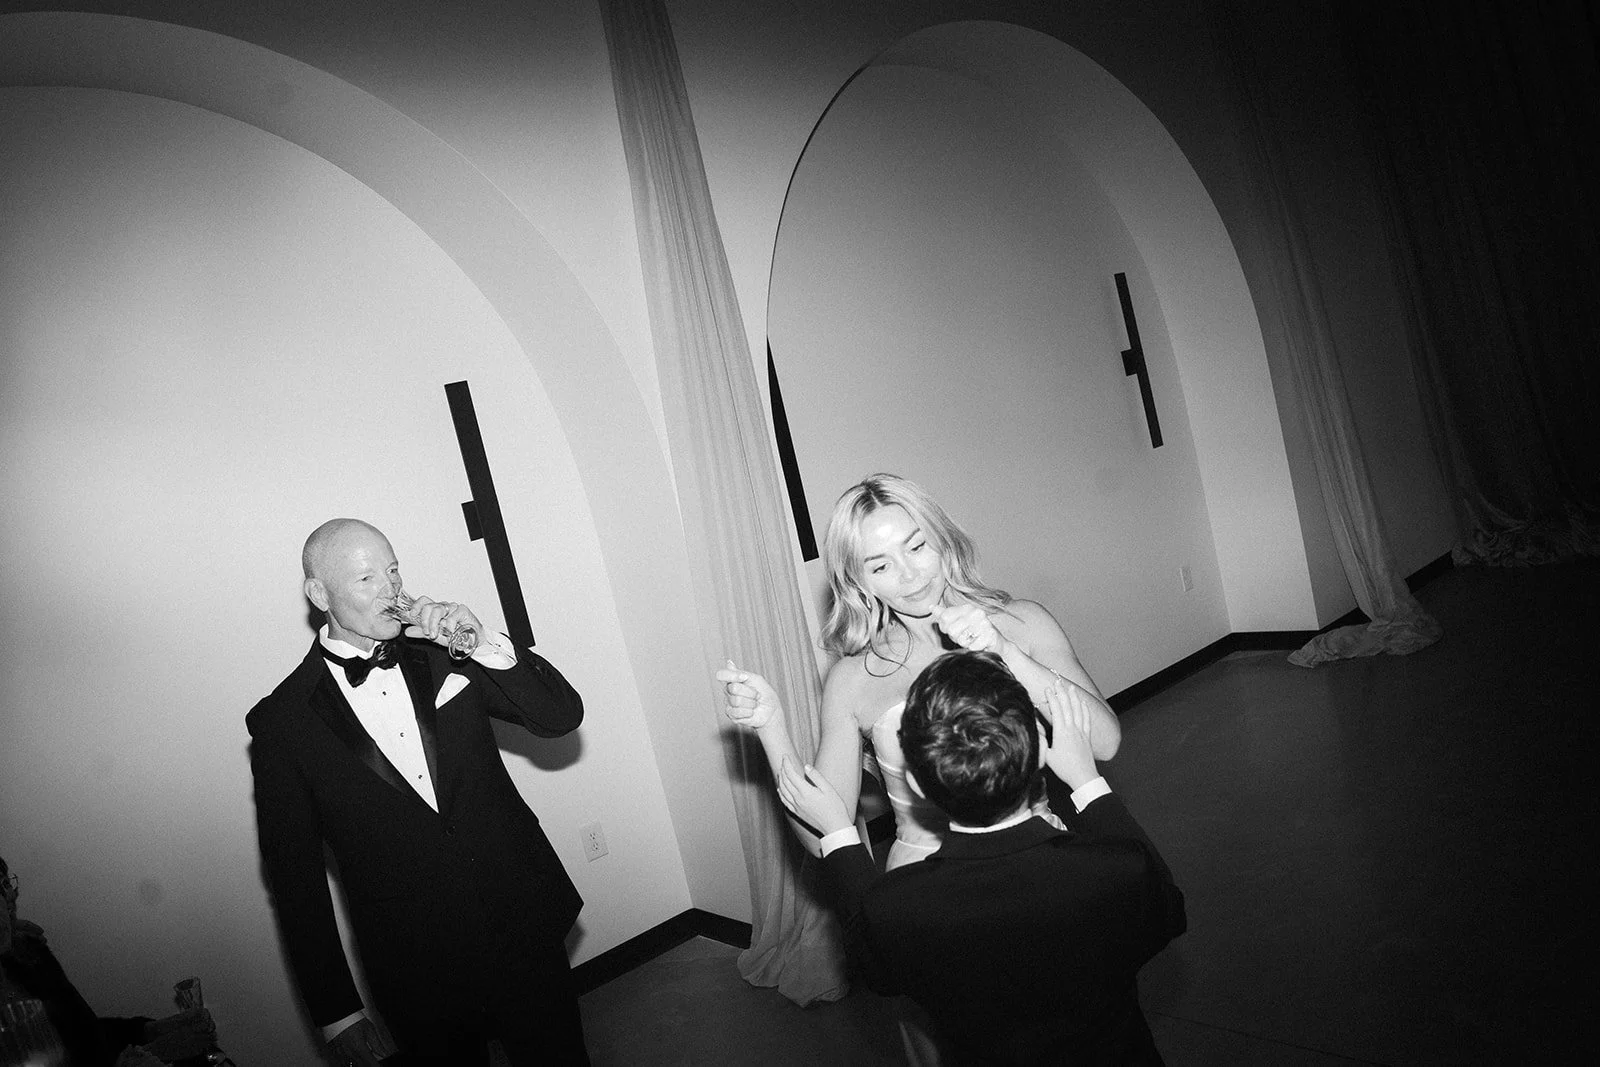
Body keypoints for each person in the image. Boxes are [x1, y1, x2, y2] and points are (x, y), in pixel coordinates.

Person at [247, 519, 587, 1066]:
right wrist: (336, 1011)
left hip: (523, 925)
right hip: (417, 970)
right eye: (366, 579)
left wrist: (483, 642)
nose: (391, 590)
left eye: (393, 571)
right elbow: (295, 879)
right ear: (320, 595)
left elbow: (560, 716)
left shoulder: (445, 652)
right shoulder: (283, 723)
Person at [776, 651, 1186, 1064]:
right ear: (1039, 752)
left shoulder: (901, 909)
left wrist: (839, 832)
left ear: (916, 784)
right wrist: (1086, 779)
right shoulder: (1116, 870)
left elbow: (872, 948)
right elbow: (1168, 911)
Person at [719, 473, 1121, 868]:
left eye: (916, 547)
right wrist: (771, 728)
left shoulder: (1023, 623)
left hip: (1041, 857)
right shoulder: (853, 679)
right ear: (861, 584)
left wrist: (1006, 652)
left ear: (941, 538)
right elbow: (823, 836)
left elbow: (1105, 742)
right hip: (928, 881)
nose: (909, 575)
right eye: (881, 567)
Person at [1, 853, 216, 1067]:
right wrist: (152, 1053)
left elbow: (84, 1032)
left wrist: (151, 1030)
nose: (9, 898)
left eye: (5, 884)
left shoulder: (27, 954)